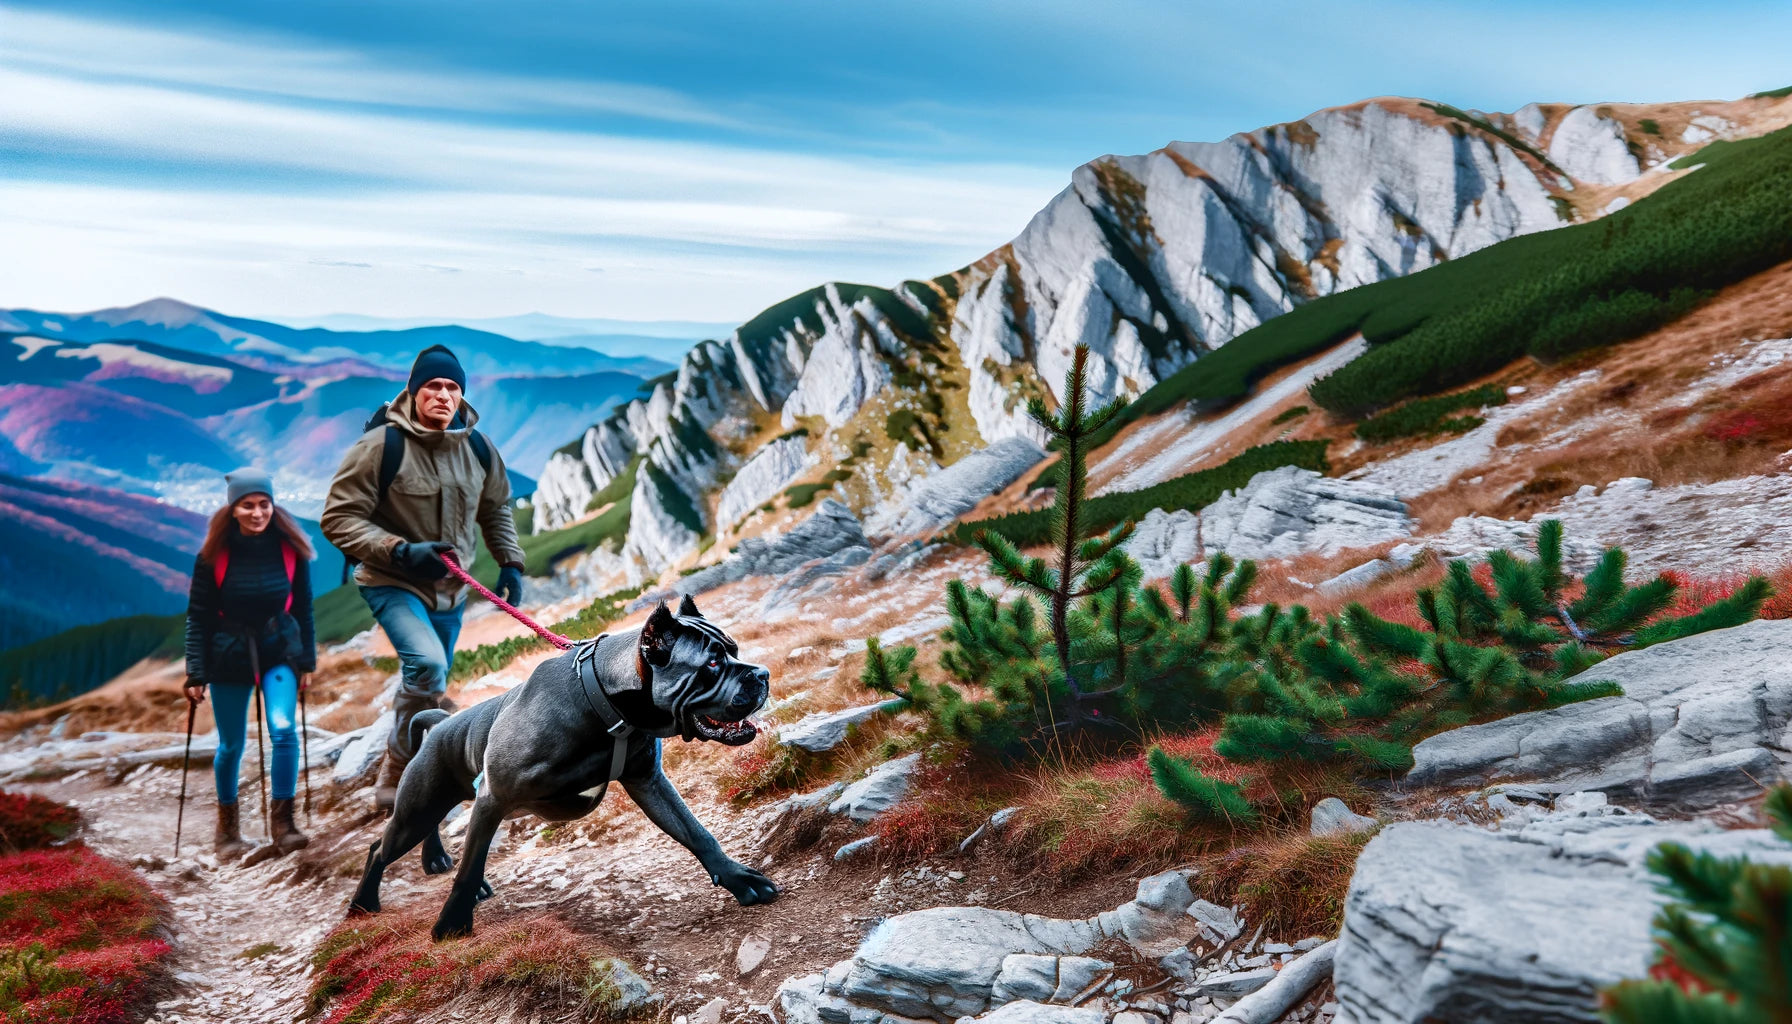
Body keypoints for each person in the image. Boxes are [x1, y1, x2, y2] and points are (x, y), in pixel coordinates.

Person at [322, 344, 526, 810]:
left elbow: (496, 509)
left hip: (451, 591)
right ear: (413, 392)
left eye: (452, 387)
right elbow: (338, 518)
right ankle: (397, 770)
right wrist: (402, 551)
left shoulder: (477, 447)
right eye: (433, 386)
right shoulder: (381, 447)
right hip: (391, 582)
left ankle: (423, 759)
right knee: (429, 666)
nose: (443, 395)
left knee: (429, 682)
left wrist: (510, 562)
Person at [183, 468, 315, 862]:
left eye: (264, 504)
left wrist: (307, 660)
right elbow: (198, 616)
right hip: (229, 656)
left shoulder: (293, 550)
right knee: (231, 745)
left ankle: (284, 825)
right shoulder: (212, 557)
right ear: (233, 508)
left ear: (273, 505)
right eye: (248, 505)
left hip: (279, 652)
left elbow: (304, 607)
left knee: (284, 729)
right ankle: (227, 831)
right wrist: (195, 671)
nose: (258, 512)